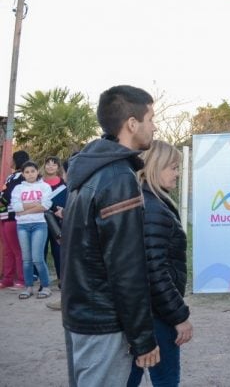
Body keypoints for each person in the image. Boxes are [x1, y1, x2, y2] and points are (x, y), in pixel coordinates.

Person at [61, 85, 160, 386]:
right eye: (151, 118)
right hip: (102, 320)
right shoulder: (117, 177)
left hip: (82, 314)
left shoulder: (90, 170)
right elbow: (126, 267)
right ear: (132, 123)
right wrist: (144, 338)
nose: (154, 126)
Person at [127, 140, 193, 387]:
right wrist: (179, 316)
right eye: (173, 167)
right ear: (155, 166)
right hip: (157, 313)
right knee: (165, 379)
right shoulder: (152, 208)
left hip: (146, 311)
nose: (177, 173)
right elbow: (154, 271)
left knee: (130, 375)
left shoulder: (149, 201)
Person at [10, 160, 53, 300]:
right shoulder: (18, 189)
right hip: (22, 226)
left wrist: (24, 210)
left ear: (37, 172)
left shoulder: (45, 187)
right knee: (26, 259)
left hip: (39, 225)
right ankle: (28, 287)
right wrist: (35, 204)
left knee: (38, 258)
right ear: (23, 174)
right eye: (27, 172)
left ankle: (46, 286)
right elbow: (15, 207)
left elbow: (45, 206)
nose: (30, 174)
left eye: (32, 171)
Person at [0, 150, 29, 290]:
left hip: (13, 217)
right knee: (8, 250)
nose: (10, 160)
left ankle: (22, 279)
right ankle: (7, 279)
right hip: (4, 216)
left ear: (18, 160)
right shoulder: (12, 176)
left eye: (13, 158)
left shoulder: (21, 177)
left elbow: (8, 195)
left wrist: (2, 200)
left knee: (17, 250)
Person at [42, 155, 67, 286]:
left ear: (58, 167)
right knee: (42, 249)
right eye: (48, 164)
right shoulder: (39, 183)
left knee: (58, 249)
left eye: (54, 164)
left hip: (58, 221)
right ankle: (43, 280)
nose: (50, 166)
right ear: (44, 166)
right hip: (40, 220)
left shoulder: (64, 184)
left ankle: (62, 278)